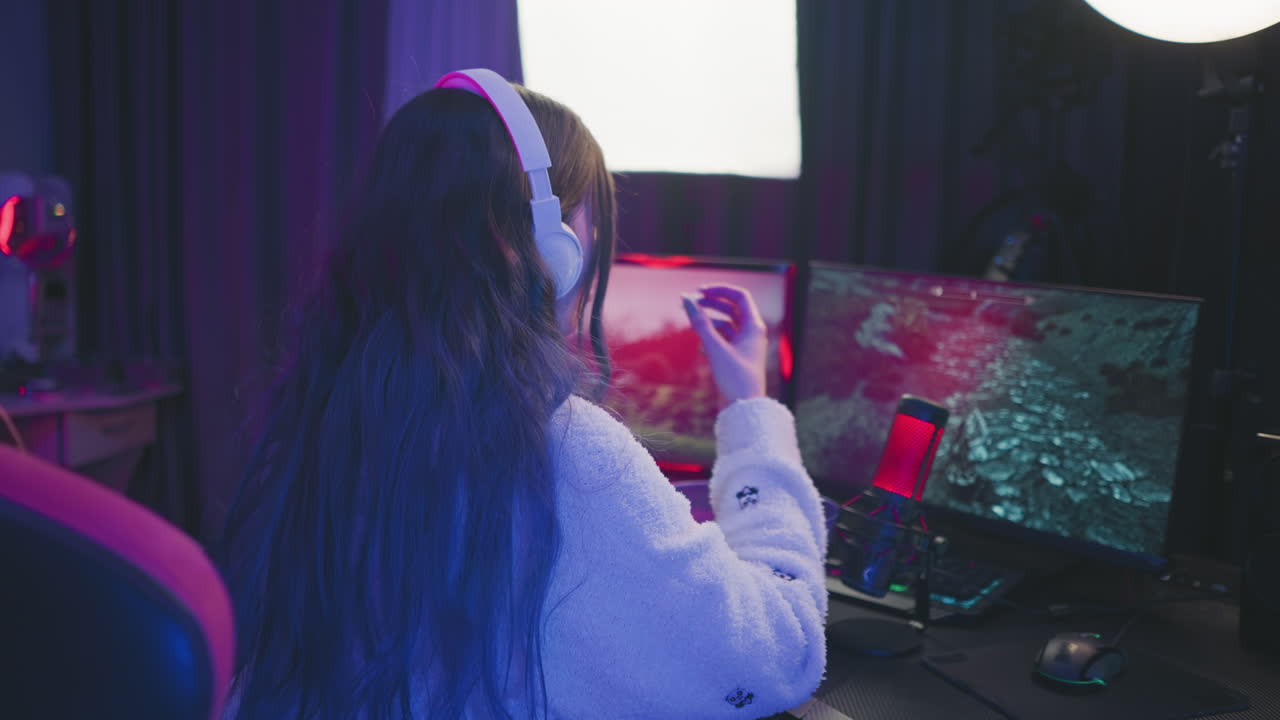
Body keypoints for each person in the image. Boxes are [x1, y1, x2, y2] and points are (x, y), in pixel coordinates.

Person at [218, 69, 828, 720]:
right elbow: (775, 654)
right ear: (550, 244)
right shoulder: (561, 454)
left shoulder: (321, 410)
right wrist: (753, 413)